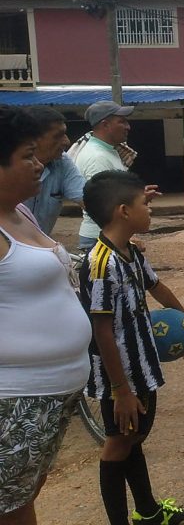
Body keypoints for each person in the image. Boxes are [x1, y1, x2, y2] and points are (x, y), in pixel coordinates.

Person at [79, 170, 184, 525]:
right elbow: (101, 330)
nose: (150, 210)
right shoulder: (101, 264)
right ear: (123, 211)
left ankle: (147, 511)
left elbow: (157, 287)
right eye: (145, 204)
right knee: (118, 444)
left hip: (141, 368)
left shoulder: (130, 252)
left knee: (134, 438)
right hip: (120, 377)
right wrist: (120, 390)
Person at [0, 106, 91, 525]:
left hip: (53, 393)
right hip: (15, 397)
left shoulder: (20, 212)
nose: (41, 165)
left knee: (24, 495)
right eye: (28, 156)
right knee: (10, 506)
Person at [74, 101, 133, 252]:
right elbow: (102, 204)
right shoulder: (97, 157)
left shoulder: (107, 151)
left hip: (106, 236)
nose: (128, 127)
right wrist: (125, 237)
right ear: (105, 125)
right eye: (122, 121)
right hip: (101, 237)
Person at [20, 106, 85, 235]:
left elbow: (88, 199)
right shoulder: (7, 167)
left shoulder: (62, 161)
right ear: (32, 139)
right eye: (58, 136)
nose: (66, 141)